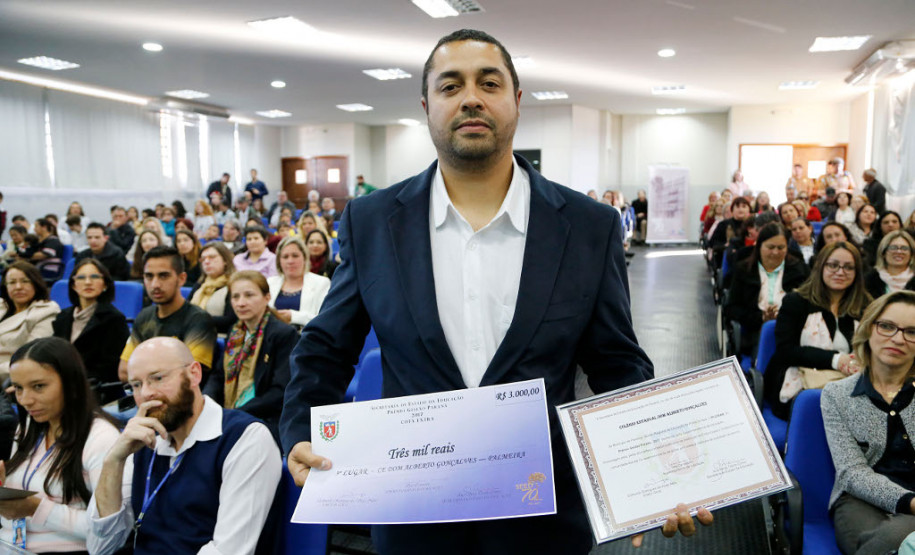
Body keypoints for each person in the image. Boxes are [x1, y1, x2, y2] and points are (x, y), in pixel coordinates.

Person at [280, 29, 709, 554]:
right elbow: (326, 347)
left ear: (517, 101)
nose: (471, 98)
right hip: (416, 515)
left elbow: (617, 363)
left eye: (489, 82)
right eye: (450, 86)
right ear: (427, 106)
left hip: (542, 520)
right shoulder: (373, 223)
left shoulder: (587, 225)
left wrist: (653, 471)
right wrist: (301, 428)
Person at [88, 337, 281, 554]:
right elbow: (100, 547)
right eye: (136, 385)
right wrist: (114, 460)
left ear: (194, 374)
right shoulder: (141, 441)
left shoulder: (245, 438)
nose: (145, 394)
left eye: (157, 378)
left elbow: (229, 550)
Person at [2, 337, 124, 552]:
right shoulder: (30, 427)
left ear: (71, 383)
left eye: (38, 386)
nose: (25, 400)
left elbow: (108, 533)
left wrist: (37, 508)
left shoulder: (101, 437)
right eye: (18, 388)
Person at [821, 290, 915, 555]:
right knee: (889, 539)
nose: (898, 338)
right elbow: (852, 473)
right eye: (887, 326)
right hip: (861, 499)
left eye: (912, 332)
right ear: (868, 329)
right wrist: (909, 502)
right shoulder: (836, 395)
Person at [764, 242, 870, 419]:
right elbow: (786, 351)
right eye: (833, 265)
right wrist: (837, 360)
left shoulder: (865, 306)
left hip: (851, 382)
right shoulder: (795, 302)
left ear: (857, 273)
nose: (840, 272)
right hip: (801, 384)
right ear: (821, 266)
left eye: (849, 267)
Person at [203, 271, 297, 439]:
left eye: (249, 295)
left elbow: (280, 392)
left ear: (267, 297)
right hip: (231, 413)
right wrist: (207, 401)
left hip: (264, 418)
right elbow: (219, 375)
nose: (241, 303)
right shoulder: (236, 332)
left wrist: (234, 414)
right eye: (235, 297)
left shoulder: (283, 333)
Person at [118, 246, 216, 381]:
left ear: (181, 279)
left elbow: (188, 377)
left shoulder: (199, 320)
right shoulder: (144, 317)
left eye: (163, 276)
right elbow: (124, 371)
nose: (155, 284)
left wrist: (141, 372)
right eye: (149, 276)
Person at [724, 222, 809, 355]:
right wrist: (761, 318)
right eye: (770, 247)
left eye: (781, 247)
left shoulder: (799, 270)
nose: (775, 252)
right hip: (755, 331)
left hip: (794, 330)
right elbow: (732, 307)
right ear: (759, 246)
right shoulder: (744, 269)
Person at [52, 259, 129, 402]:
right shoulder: (63, 317)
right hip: (62, 385)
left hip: (95, 391)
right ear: (73, 285)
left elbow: (109, 369)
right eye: (81, 278)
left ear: (105, 284)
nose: (88, 282)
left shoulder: (114, 319)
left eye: (94, 277)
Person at [0, 262, 60, 379]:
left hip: (10, 376)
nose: (18, 287)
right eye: (12, 282)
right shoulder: (1, 305)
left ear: (36, 283)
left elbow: (32, 358)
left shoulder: (46, 311)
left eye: (25, 281)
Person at [267, 236, 330, 328]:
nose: (290, 261)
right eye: (285, 257)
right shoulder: (270, 282)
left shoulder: (321, 283)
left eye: (295, 256)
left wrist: (293, 316)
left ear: (304, 258)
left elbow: (325, 318)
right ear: (279, 261)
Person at [189, 242, 237, 334]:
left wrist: (199, 319)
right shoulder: (200, 285)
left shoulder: (234, 286)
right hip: (193, 334)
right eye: (203, 259)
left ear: (225, 260)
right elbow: (186, 311)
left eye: (212, 257)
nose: (206, 262)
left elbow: (231, 320)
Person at [865, 230, 915, 299]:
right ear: (883, 253)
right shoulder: (868, 281)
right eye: (893, 248)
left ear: (911, 254)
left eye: (904, 248)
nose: (899, 251)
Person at [29, 219, 64, 283]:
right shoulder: (38, 241)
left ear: (44, 227)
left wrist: (26, 255)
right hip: (38, 268)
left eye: (36, 226)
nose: (34, 229)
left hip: (48, 269)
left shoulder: (53, 241)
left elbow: (44, 255)